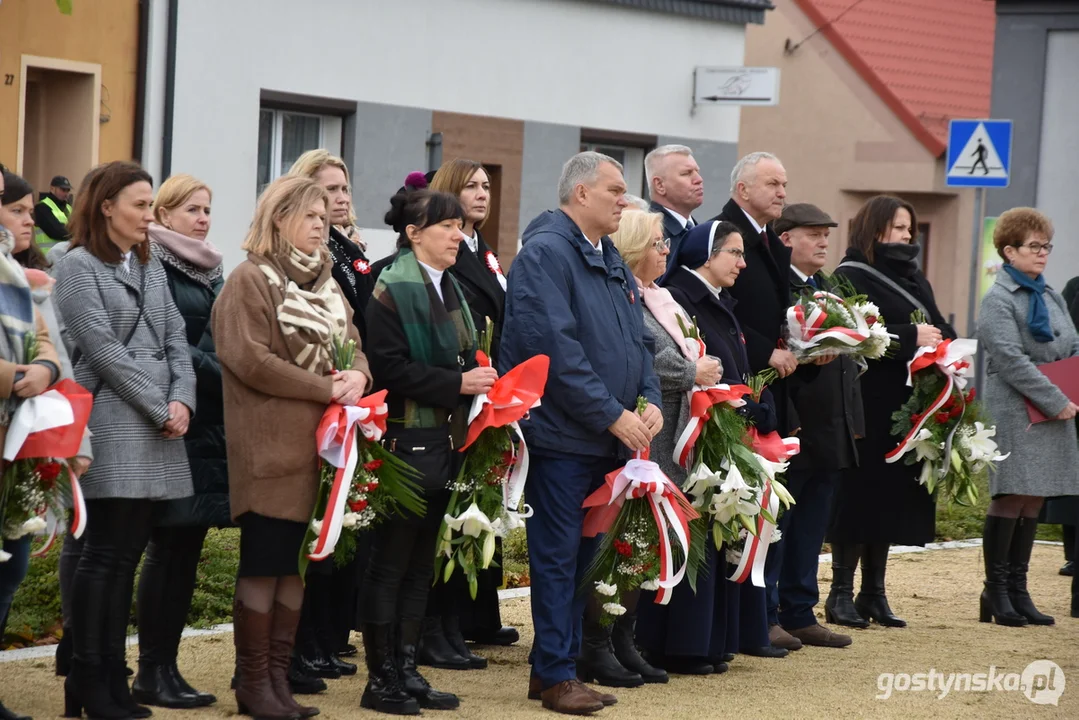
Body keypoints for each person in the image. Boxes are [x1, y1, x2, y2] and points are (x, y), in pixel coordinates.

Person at [500, 151, 662, 714]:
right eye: (616, 189)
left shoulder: (608, 256)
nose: (625, 199)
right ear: (580, 194)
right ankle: (556, 672)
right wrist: (611, 415)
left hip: (604, 437)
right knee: (557, 556)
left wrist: (649, 402)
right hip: (564, 437)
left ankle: (552, 669)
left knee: (586, 558)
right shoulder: (546, 255)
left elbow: (636, 342)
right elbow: (555, 352)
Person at [213, 175, 368, 720]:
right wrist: (326, 386)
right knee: (264, 564)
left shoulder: (326, 283)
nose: (321, 224)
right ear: (278, 218)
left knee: (295, 569)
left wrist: (356, 378)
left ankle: (278, 682)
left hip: (318, 453)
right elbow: (249, 359)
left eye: (325, 216)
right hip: (268, 449)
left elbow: (355, 347)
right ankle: (253, 683)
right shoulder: (249, 280)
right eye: (309, 215)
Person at [54, 161, 197, 720]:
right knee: (104, 557)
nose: (148, 215)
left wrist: (183, 399)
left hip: (159, 424)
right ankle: (89, 676)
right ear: (106, 205)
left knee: (126, 557)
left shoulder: (150, 265)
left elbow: (177, 339)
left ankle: (113, 674)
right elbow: (101, 349)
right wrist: (163, 405)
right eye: (140, 204)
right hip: (113, 420)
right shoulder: (75, 266)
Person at [361, 188, 491, 715]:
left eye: (460, 226)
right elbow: (388, 368)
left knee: (421, 566)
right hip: (406, 439)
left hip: (446, 438)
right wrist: (460, 384)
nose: (458, 235)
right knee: (390, 564)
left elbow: (465, 356)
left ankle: (408, 669)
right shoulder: (391, 285)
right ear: (414, 233)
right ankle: (381, 677)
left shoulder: (451, 285)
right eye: (446, 226)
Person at [644, 220, 781, 673]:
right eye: (734, 253)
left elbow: (732, 363)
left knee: (714, 535)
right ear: (707, 253)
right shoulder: (684, 296)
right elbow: (692, 363)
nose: (743, 263)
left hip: (719, 427)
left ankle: (709, 641)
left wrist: (755, 405)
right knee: (694, 534)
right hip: (684, 433)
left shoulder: (710, 300)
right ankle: (686, 645)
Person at [830, 195, 955, 629]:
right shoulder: (849, 274)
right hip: (867, 404)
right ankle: (840, 592)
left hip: (907, 408)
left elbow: (938, 324)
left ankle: (874, 593)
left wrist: (945, 346)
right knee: (859, 497)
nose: (907, 237)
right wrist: (909, 335)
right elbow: (852, 334)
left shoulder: (914, 277)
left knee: (888, 499)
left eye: (910, 229)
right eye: (899, 228)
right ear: (875, 229)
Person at [610, 209, 722, 682]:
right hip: (642, 438)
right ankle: (612, 639)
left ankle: (627, 638)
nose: (666, 250)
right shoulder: (625, 297)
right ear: (634, 247)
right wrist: (690, 372)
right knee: (628, 540)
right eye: (657, 243)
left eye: (665, 242)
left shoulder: (662, 297)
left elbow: (679, 350)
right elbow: (642, 360)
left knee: (649, 543)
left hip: (672, 431)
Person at [128, 173, 226, 709]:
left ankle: (167, 667)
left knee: (186, 549)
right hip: (174, 420)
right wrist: (224, 369)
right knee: (166, 549)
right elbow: (165, 346)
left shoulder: (209, 271)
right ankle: (151, 669)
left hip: (208, 424)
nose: (203, 219)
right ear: (163, 216)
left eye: (208, 210)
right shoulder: (154, 268)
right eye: (192, 209)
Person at [423, 158, 516, 667]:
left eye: (485, 186)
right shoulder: (446, 254)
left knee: (476, 503)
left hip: (490, 392)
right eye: (471, 186)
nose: (482, 193)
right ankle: (443, 623)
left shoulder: (483, 252)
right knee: (454, 510)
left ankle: (471, 616)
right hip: (459, 395)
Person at [288, 150, 374, 681]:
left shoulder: (348, 249)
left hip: (355, 397)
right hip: (316, 404)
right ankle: (306, 641)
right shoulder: (308, 261)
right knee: (316, 526)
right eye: (328, 191)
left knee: (345, 521)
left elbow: (356, 326)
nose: (339, 200)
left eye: (344, 189)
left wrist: (360, 374)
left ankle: (328, 636)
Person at [709, 151, 799, 656]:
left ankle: (763, 614)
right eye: (772, 183)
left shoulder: (765, 238)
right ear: (743, 189)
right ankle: (751, 620)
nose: (782, 192)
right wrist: (770, 351)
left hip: (773, 377)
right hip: (747, 378)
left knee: (767, 503)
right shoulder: (725, 233)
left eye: (784, 183)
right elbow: (722, 307)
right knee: (745, 501)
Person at [977, 207, 1079, 627]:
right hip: (1016, 407)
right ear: (1009, 250)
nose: (1043, 254)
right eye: (1034, 246)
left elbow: (1071, 342)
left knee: (1034, 495)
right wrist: (1056, 398)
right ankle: (995, 591)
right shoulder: (998, 298)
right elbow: (1010, 359)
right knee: (1011, 494)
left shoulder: (1050, 294)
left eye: (1046, 246)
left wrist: (1067, 388)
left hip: (1055, 403)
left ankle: (1018, 589)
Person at [770, 203, 860, 647]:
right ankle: (770, 612)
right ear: (785, 238)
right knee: (779, 525)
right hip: (793, 422)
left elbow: (847, 363)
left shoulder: (828, 287)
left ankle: (801, 611)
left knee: (811, 527)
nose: (824, 241)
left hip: (830, 426)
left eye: (827, 234)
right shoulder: (775, 286)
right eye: (813, 234)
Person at [0, 168, 68, 720]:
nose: (32, 219)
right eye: (19, 210)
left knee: (11, 568)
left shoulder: (20, 275)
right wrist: (15, 374)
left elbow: (44, 340)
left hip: (16, 445)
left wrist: (43, 369)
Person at [644, 145, 703, 263]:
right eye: (686, 173)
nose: (698, 179)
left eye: (697, 171)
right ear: (660, 185)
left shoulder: (699, 231)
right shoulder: (646, 233)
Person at [33, 175, 74, 253]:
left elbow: (79, 227)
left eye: (67, 190)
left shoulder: (68, 208)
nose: (66, 193)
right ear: (52, 189)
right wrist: (77, 234)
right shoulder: (42, 207)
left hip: (65, 255)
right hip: (47, 257)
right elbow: (57, 232)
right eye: (63, 190)